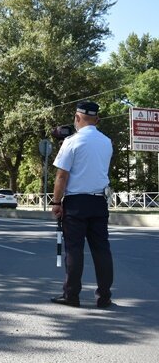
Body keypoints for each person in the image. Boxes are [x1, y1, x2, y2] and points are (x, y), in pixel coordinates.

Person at [50, 100, 114, 308]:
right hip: (99, 202)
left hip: (76, 203)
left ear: (77, 118)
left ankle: (72, 296)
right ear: (98, 119)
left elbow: (61, 175)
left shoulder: (72, 142)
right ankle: (104, 297)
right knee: (102, 250)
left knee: (74, 250)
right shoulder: (107, 141)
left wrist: (56, 202)